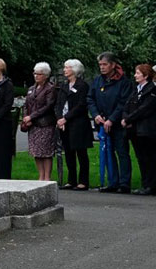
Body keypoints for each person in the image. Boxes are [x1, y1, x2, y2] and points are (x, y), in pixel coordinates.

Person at [90, 52, 133, 193]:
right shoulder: (97, 81)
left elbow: (123, 103)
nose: (102, 67)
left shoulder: (124, 82)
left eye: (105, 64)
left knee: (122, 152)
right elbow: (90, 98)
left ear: (113, 65)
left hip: (117, 124)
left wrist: (112, 119)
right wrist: (95, 114)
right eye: (100, 65)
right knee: (107, 152)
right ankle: (112, 182)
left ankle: (124, 183)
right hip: (102, 122)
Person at [57, 58, 93, 190]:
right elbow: (59, 103)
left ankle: (83, 181)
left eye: (67, 67)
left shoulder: (82, 86)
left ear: (74, 70)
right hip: (64, 124)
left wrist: (66, 118)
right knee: (68, 152)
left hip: (78, 123)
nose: (64, 70)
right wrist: (59, 118)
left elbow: (81, 105)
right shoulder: (63, 86)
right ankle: (71, 180)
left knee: (81, 152)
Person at [21, 62, 60, 183]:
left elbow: (48, 106)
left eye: (39, 74)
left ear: (46, 75)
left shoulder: (50, 89)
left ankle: (47, 177)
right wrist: (26, 117)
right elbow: (26, 104)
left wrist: (32, 116)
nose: (36, 76)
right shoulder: (31, 89)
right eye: (35, 73)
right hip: (33, 126)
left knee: (46, 152)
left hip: (45, 124)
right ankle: (41, 175)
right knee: (36, 152)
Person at [122, 63, 155, 195]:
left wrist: (129, 119)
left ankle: (151, 184)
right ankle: (145, 183)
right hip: (135, 130)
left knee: (150, 158)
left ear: (145, 75)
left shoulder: (152, 90)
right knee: (141, 157)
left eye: (138, 73)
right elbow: (127, 105)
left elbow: (145, 109)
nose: (135, 75)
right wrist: (125, 117)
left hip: (147, 129)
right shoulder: (137, 90)